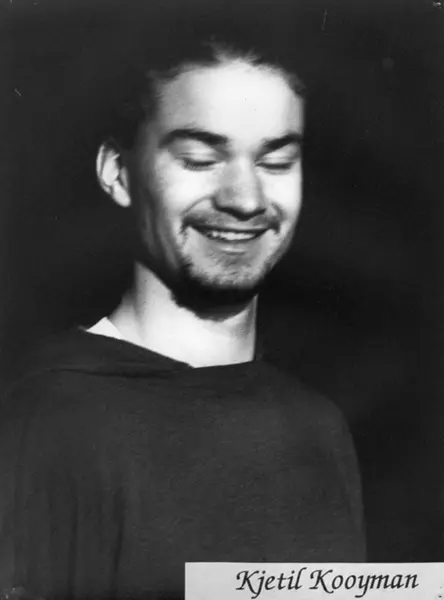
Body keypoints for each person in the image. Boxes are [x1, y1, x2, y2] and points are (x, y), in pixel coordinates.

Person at [0, 18, 365, 600]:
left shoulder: (319, 427)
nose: (245, 199)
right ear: (118, 173)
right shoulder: (48, 421)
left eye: (275, 162)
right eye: (199, 159)